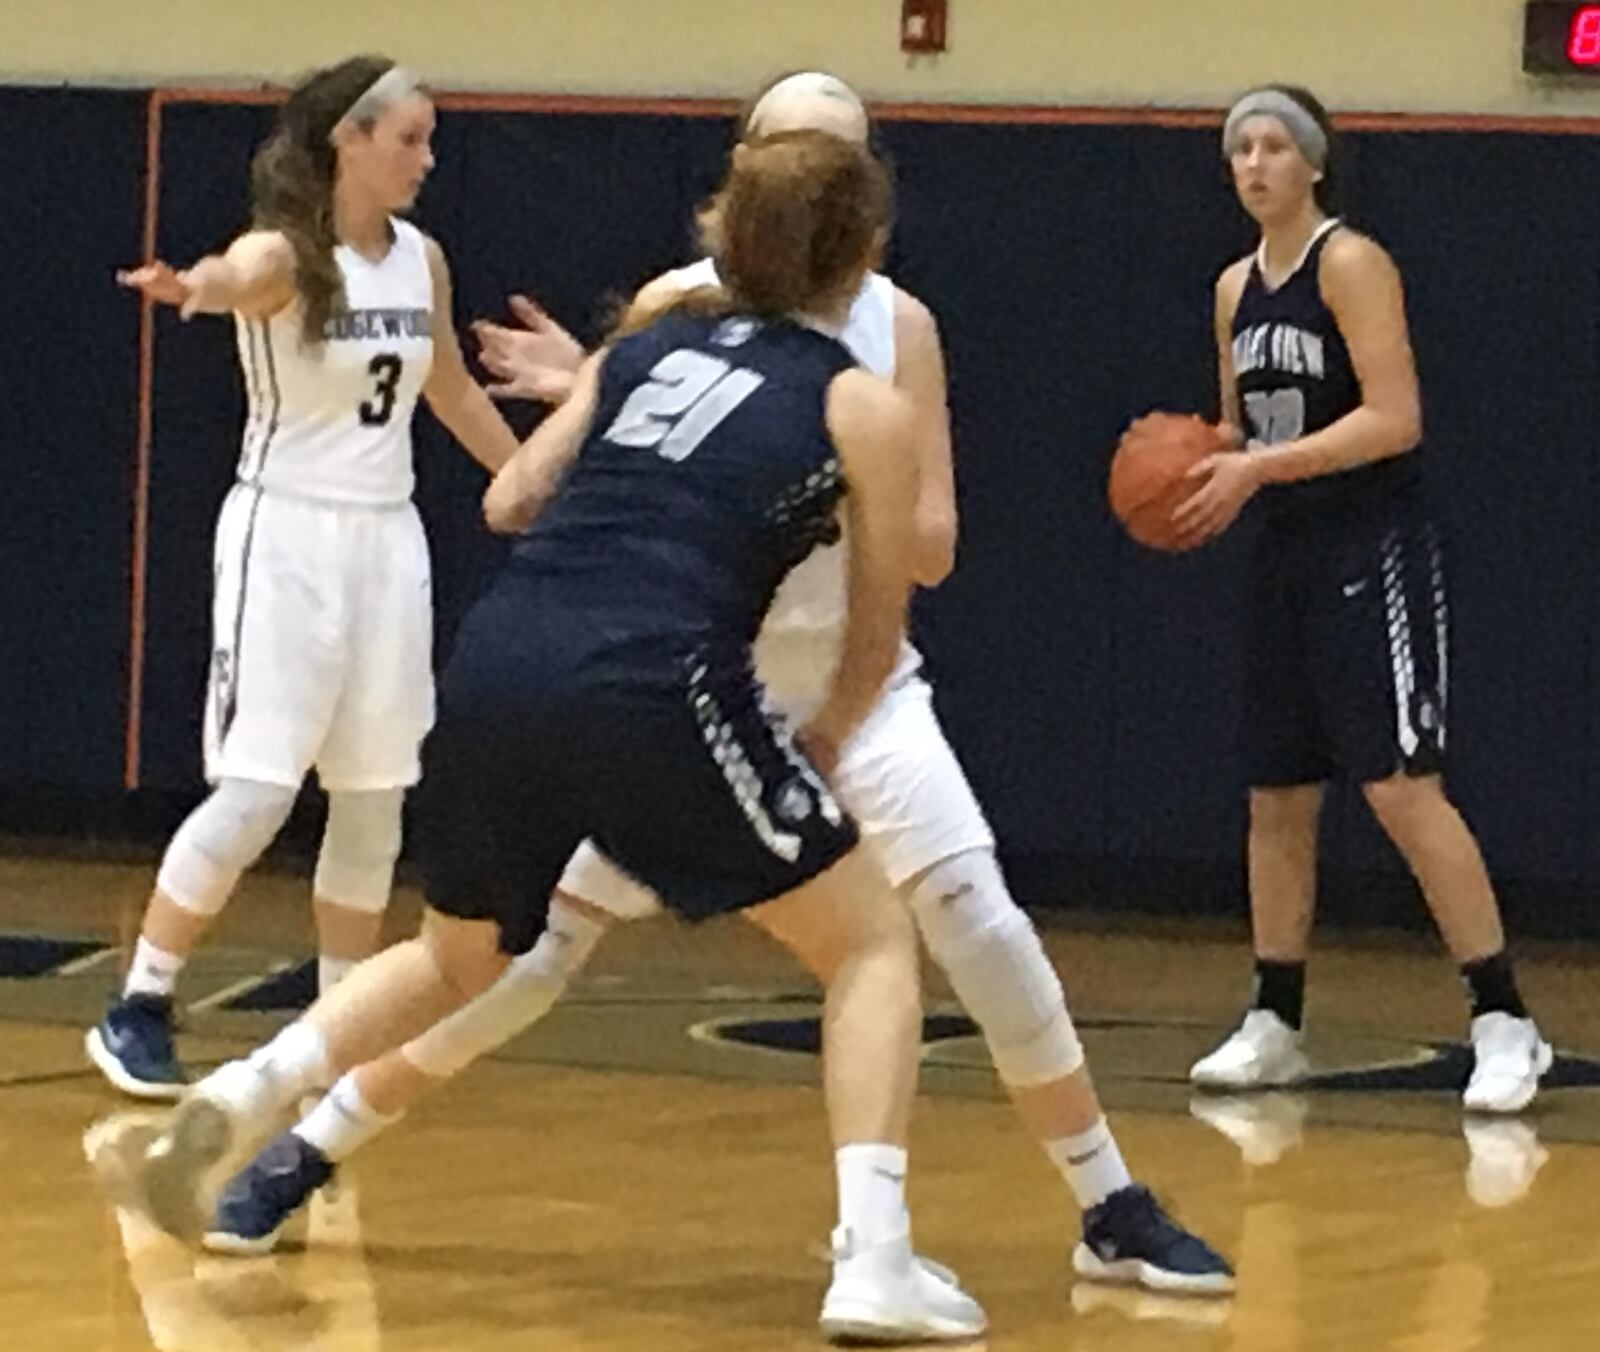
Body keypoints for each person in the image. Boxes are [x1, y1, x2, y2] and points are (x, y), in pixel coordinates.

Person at [209, 73, 1235, 1302]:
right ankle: (300, 1152)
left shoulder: (893, 329)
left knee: (980, 923)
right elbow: (582, 461)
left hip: (850, 679)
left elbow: (931, 543)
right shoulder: (668, 312)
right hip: (694, 683)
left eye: (834, 158)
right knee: (525, 962)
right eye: (791, 154)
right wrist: (605, 397)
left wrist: (823, 487)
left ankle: (1106, 1199)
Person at [103, 129, 995, 1344]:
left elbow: (509, 497)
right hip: (659, 676)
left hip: (501, 656)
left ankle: (245, 1086)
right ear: (866, 260)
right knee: (871, 941)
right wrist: (828, 735)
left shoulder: (645, 350)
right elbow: (876, 632)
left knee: (460, 952)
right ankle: (874, 1256)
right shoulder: (862, 404)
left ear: (719, 235)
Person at [86, 56, 521, 1099]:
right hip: (285, 537)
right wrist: (193, 288)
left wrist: (528, 482)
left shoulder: (421, 258)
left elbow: (450, 390)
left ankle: (340, 1018)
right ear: (350, 141)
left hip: (386, 541)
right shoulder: (285, 252)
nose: (427, 156)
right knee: (256, 791)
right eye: (409, 137)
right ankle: (139, 999)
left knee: (374, 797)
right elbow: (234, 277)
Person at [1180, 85, 1549, 1113]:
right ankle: (1273, 1016)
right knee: (1276, 796)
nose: (1253, 163)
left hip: (1370, 542)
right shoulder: (1230, 288)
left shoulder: (1348, 262)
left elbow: (1394, 417)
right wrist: (1192, 462)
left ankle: (1503, 1016)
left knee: (1399, 786)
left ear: (1312, 164)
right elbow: (1234, 427)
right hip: (1284, 552)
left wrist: (1260, 467)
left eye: (1272, 146)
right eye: (1239, 148)